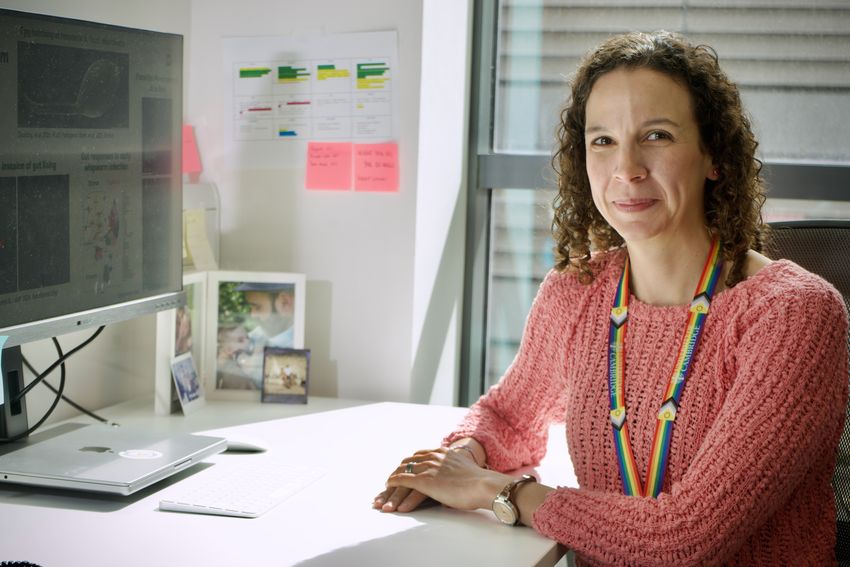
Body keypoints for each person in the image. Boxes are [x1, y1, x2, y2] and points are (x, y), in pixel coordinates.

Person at [374, 31, 849, 565]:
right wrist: (457, 462)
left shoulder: (793, 314)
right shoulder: (578, 292)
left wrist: (493, 491)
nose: (627, 168)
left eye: (657, 135)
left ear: (713, 155)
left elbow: (686, 538)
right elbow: (509, 417)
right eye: (602, 141)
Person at [235, 282, 296, 388]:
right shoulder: (251, 338)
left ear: (284, 302)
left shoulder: (297, 347)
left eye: (257, 307)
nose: (252, 315)